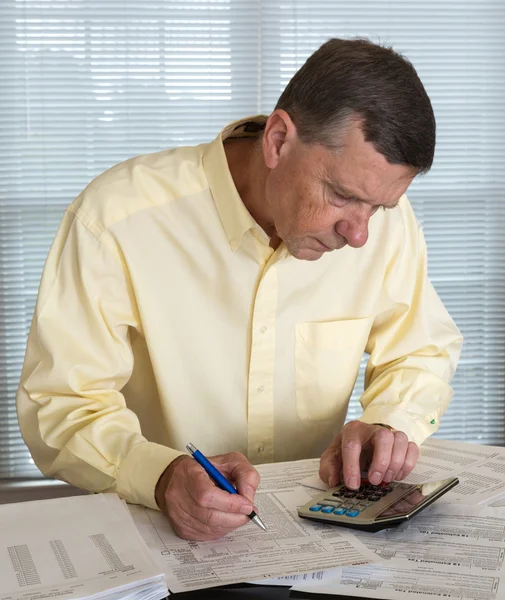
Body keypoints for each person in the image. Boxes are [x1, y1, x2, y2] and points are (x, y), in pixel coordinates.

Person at [16, 38, 462, 541]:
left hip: (321, 545)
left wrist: (386, 423)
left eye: (377, 208)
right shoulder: (116, 219)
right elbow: (60, 402)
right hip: (161, 544)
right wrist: (160, 477)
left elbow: (420, 350)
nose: (359, 234)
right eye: (341, 196)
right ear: (277, 140)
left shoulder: (385, 223)